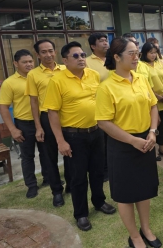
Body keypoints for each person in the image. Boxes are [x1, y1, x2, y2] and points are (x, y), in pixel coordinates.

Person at [96, 38, 161, 248]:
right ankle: (134, 236)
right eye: (131, 53)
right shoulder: (106, 87)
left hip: (146, 141)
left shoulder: (141, 79)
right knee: (125, 194)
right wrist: (133, 140)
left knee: (144, 189)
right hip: (122, 145)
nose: (136, 57)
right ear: (116, 57)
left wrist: (152, 132)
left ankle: (146, 229)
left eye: (137, 53)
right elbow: (104, 122)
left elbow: (153, 106)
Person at [43, 42, 115, 231]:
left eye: (83, 55)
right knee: (78, 177)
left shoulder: (93, 75)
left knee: (98, 171)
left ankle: (99, 201)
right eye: (76, 56)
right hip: (74, 136)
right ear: (65, 60)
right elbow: (52, 113)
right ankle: (81, 214)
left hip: (96, 132)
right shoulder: (57, 80)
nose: (81, 58)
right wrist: (60, 141)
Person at [25, 39, 69, 207]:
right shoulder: (33, 74)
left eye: (51, 50)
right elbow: (34, 102)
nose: (48, 54)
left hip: (68, 116)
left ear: (55, 51)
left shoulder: (65, 69)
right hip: (47, 117)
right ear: (37, 55)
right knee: (49, 157)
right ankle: (57, 191)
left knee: (71, 153)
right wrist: (38, 127)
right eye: (44, 52)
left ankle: (71, 184)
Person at [0, 49, 46, 199]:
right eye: (24, 62)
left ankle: (48, 178)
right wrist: (13, 129)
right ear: (15, 63)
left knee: (47, 153)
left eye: (31, 61)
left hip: (43, 121)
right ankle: (31, 186)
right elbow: (4, 107)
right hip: (24, 124)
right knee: (27, 156)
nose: (29, 64)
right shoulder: (9, 83)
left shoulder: (40, 76)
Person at [140, 42, 163, 161]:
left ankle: (161, 147)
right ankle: (154, 149)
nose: (153, 55)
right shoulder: (142, 65)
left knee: (162, 126)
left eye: (155, 53)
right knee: (154, 125)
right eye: (150, 53)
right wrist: (156, 96)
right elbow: (146, 83)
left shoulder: (159, 63)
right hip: (153, 100)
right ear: (144, 53)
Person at [86, 33, 110, 182]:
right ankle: (104, 170)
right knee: (102, 142)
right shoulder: (87, 62)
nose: (105, 43)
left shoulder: (114, 58)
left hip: (116, 105)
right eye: (101, 41)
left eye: (106, 40)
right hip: (99, 107)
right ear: (93, 46)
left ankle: (112, 166)